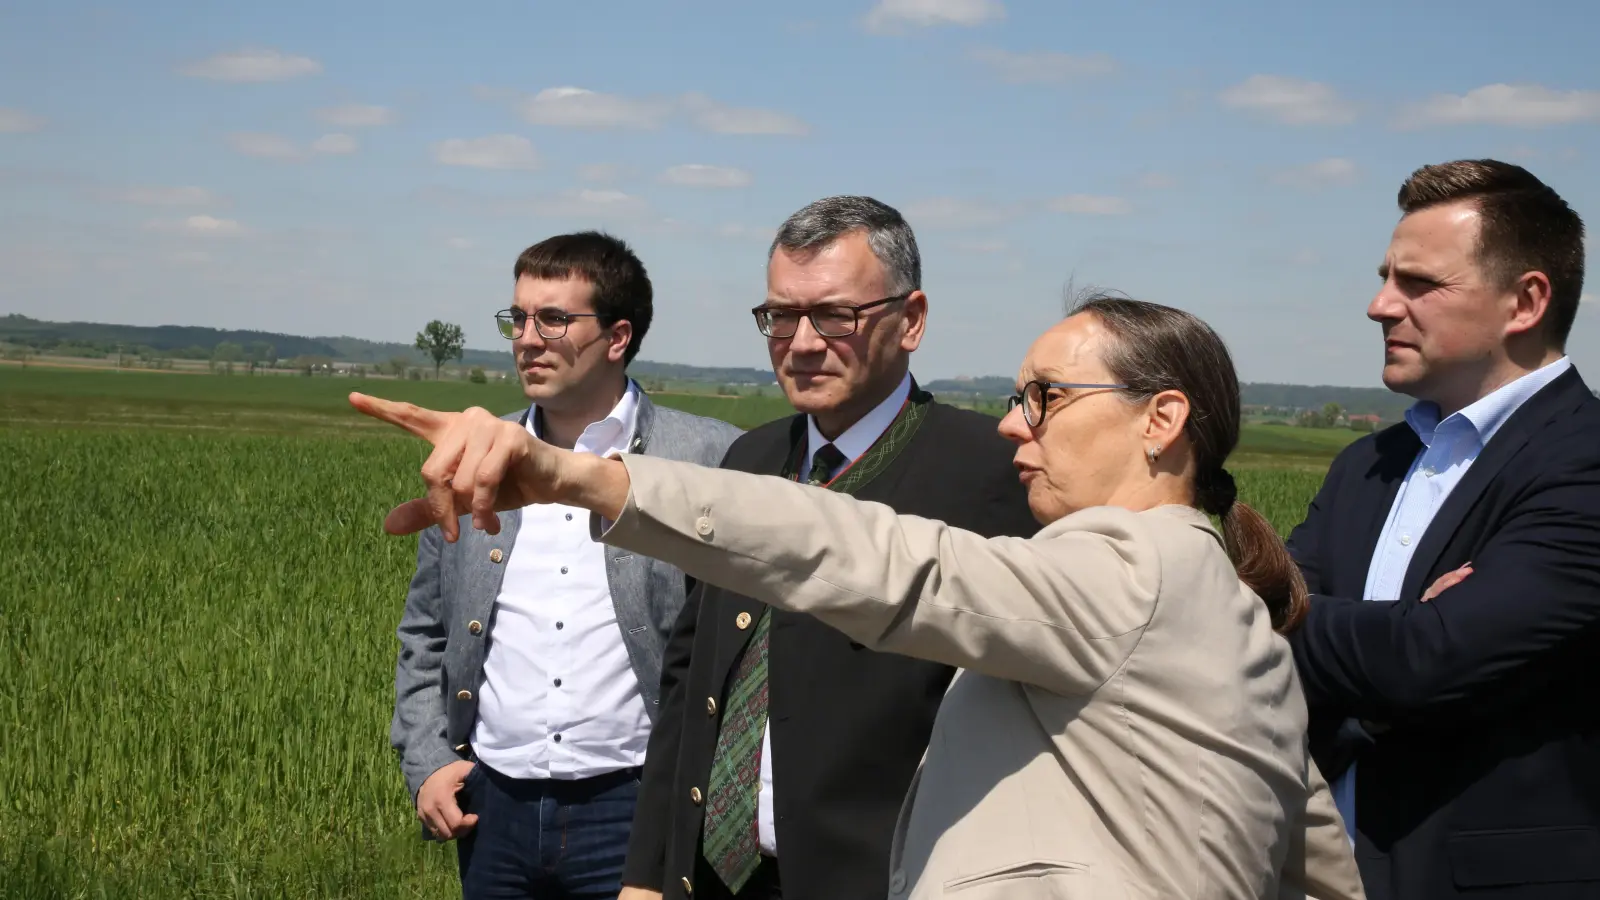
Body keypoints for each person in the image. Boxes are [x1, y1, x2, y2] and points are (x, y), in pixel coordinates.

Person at [350, 293, 1367, 900]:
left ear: (1162, 418)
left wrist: (586, 478)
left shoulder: (1127, 570)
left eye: (1045, 398)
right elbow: (1319, 869)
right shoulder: (1240, 621)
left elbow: (886, 560)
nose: (1016, 426)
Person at [653, 195, 1040, 899]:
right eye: (780, 316)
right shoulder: (749, 459)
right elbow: (690, 678)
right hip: (712, 877)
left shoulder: (992, 475)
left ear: (911, 319)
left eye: (834, 315)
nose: (801, 342)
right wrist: (650, 870)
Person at [387, 231, 742, 899]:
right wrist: (428, 759)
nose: (527, 337)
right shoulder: (475, 456)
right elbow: (426, 631)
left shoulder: (706, 456)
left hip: (637, 804)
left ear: (617, 337)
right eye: (517, 318)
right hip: (490, 804)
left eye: (553, 318)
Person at [1281, 158, 1600, 899]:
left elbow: (1429, 660)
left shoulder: (1585, 462)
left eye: (1418, 284)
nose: (1379, 305)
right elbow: (1260, 631)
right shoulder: (1368, 463)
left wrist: (1387, 644)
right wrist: (1397, 631)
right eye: (1388, 276)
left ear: (1525, 301)